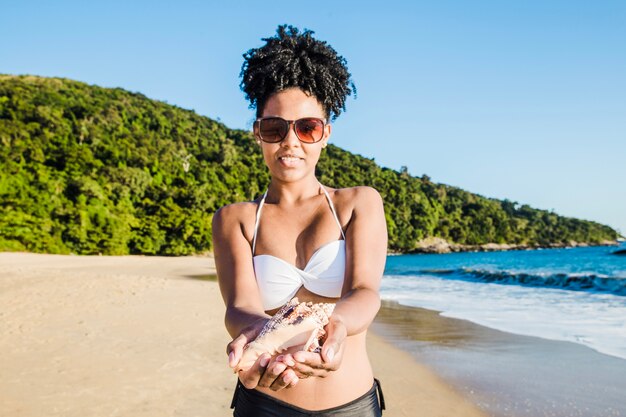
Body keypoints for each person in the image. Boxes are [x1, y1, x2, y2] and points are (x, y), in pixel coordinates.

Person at [212, 25, 388, 417]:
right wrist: (257, 335)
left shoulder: (358, 204)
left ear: (325, 135)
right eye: (275, 128)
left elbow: (365, 291)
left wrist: (334, 326)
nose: (291, 142)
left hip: (352, 406)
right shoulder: (235, 220)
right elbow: (239, 306)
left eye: (307, 128)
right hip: (266, 402)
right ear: (258, 134)